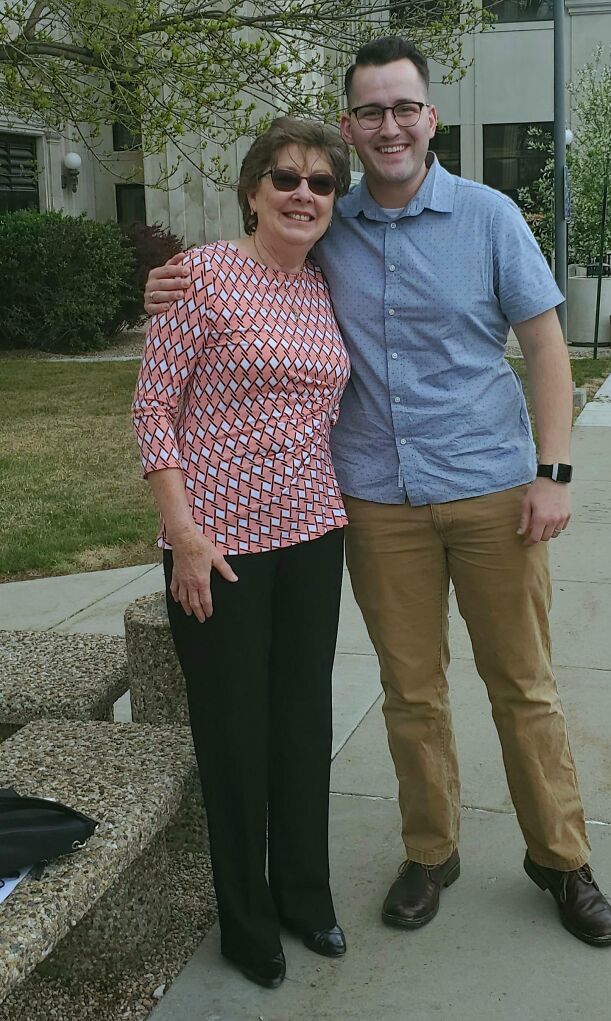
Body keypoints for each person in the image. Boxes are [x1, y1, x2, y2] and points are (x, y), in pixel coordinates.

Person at [144, 37, 611, 948]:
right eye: (370, 110)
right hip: (374, 501)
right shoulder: (328, 220)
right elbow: (247, 276)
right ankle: (430, 850)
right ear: (350, 126)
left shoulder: (488, 217)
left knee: (522, 686)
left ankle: (562, 861)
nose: (389, 125)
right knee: (412, 691)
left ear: (430, 118)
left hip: (490, 490)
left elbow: (547, 346)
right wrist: (171, 280)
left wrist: (553, 471)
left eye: (404, 107)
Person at [133, 117, 352, 990]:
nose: (304, 193)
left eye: (321, 182)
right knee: (233, 735)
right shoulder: (202, 277)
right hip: (215, 546)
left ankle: (306, 895)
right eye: (287, 177)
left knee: (302, 724)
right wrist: (182, 534)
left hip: (312, 534)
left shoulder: (324, 285)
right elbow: (154, 413)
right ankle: (246, 920)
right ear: (254, 189)